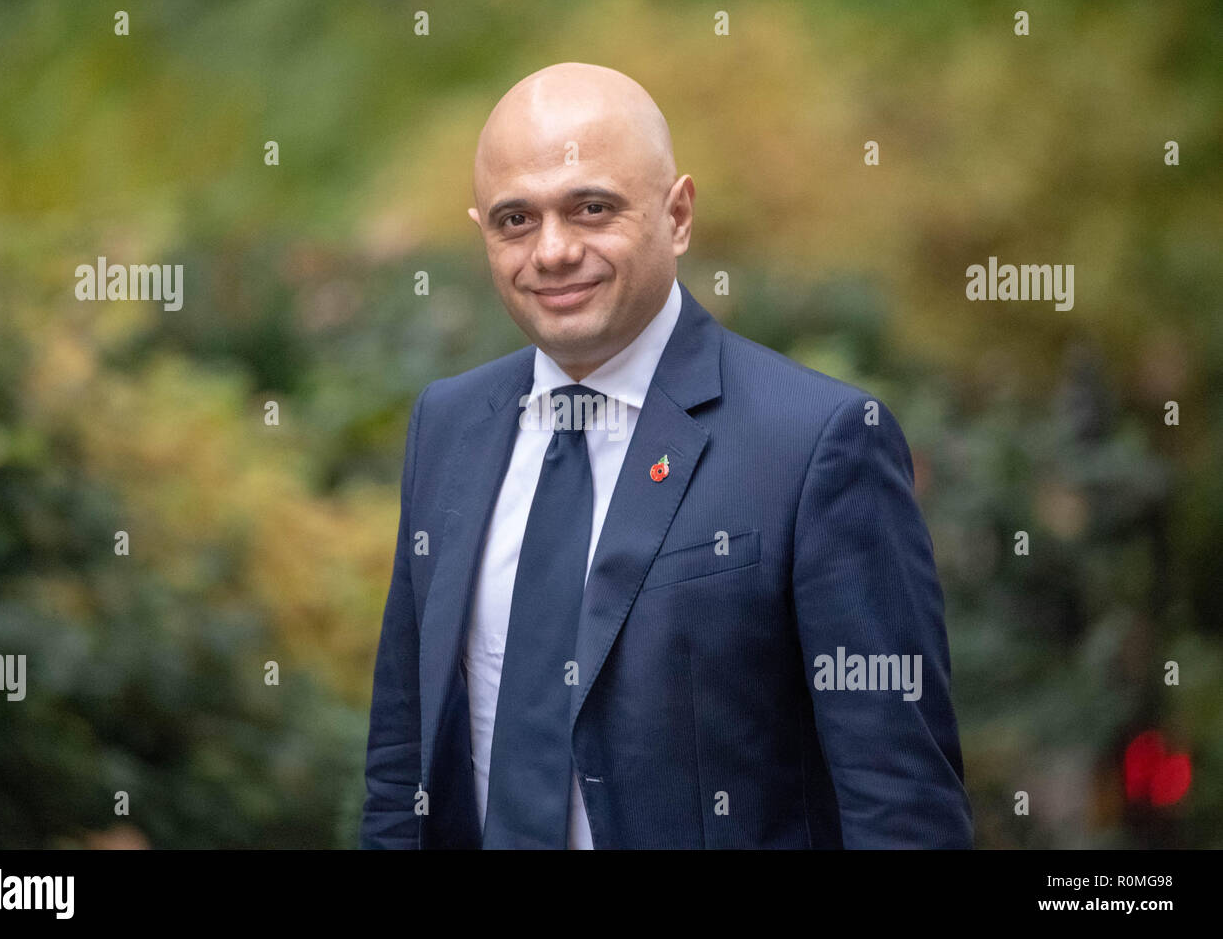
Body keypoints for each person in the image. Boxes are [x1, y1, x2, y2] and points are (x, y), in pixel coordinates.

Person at [360, 62, 973, 849]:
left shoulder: (818, 443)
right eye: (516, 220)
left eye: (591, 208)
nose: (551, 251)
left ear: (678, 215)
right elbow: (399, 759)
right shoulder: (446, 426)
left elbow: (901, 804)